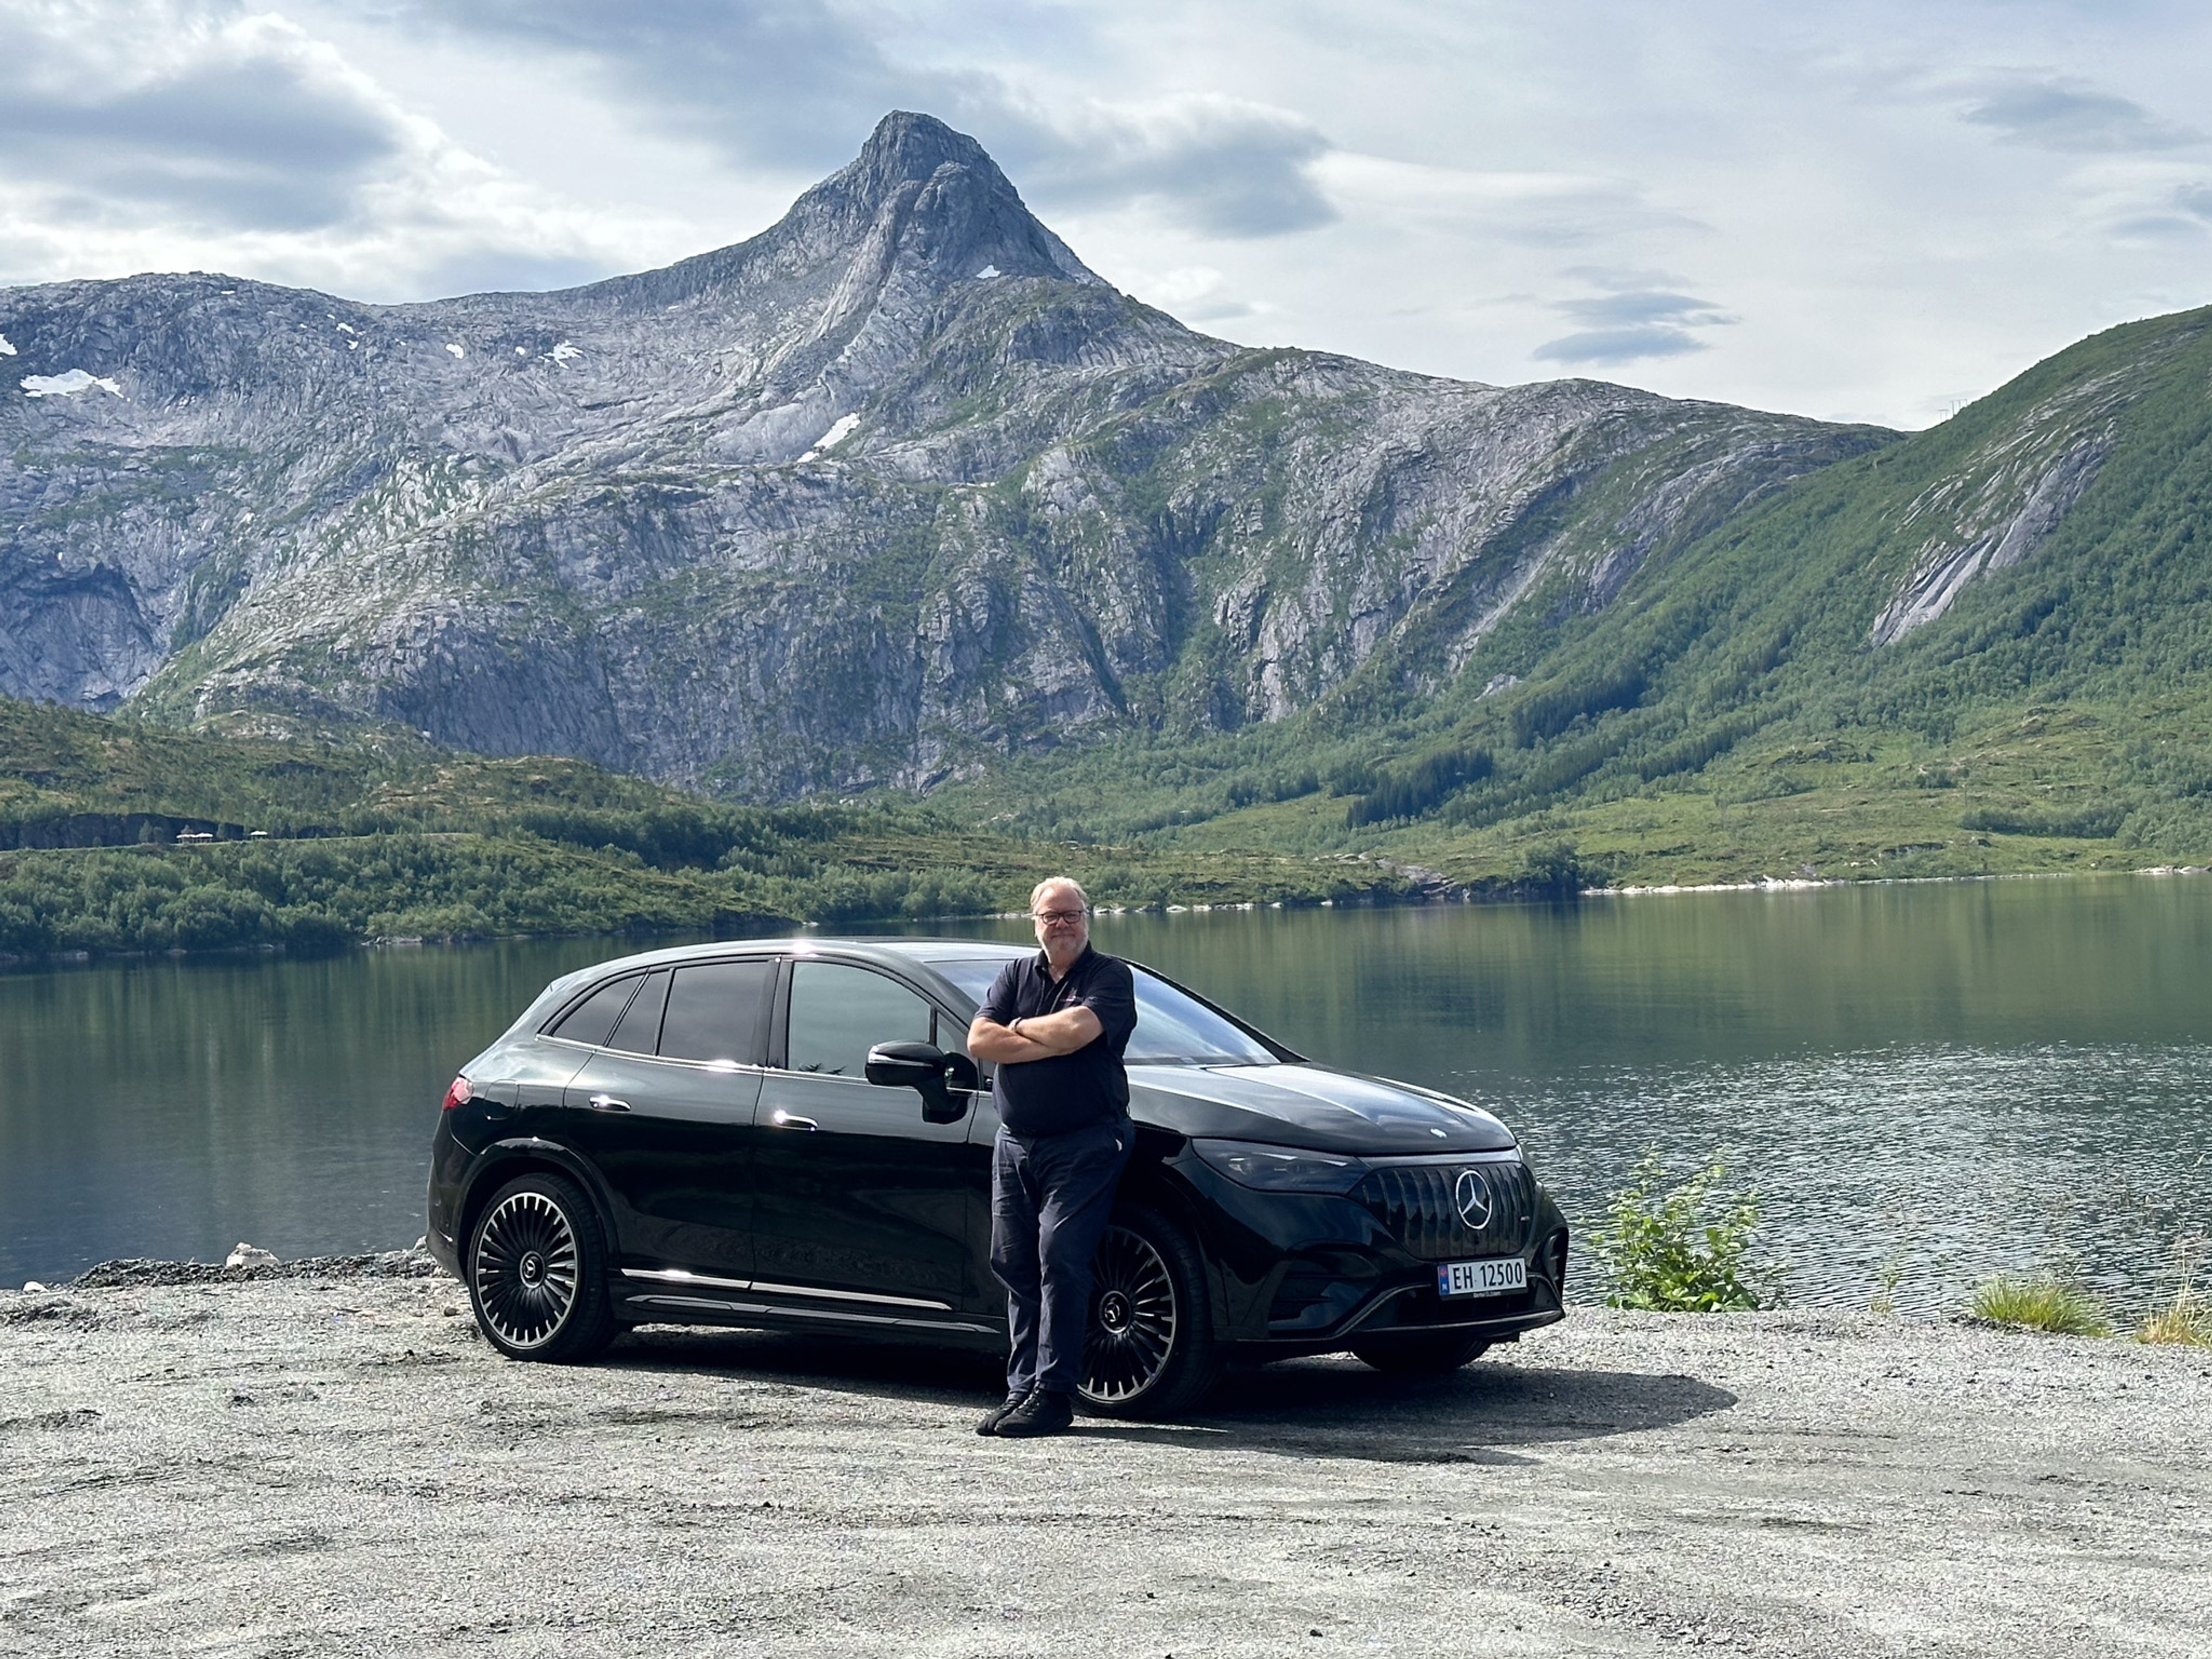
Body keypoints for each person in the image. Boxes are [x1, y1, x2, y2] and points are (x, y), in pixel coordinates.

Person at [965, 876, 1137, 1438]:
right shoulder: (1016, 974)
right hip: (1016, 1143)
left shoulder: (1110, 976)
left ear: (1087, 918)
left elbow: (1080, 1031)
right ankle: (1022, 1390)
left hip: (1086, 1141)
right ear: (1034, 922)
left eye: (1071, 914)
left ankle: (1055, 1394)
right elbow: (979, 1042)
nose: (1061, 923)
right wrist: (1039, 1037)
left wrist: (1015, 1030)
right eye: (1050, 915)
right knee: (1014, 1262)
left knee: (1061, 1255)